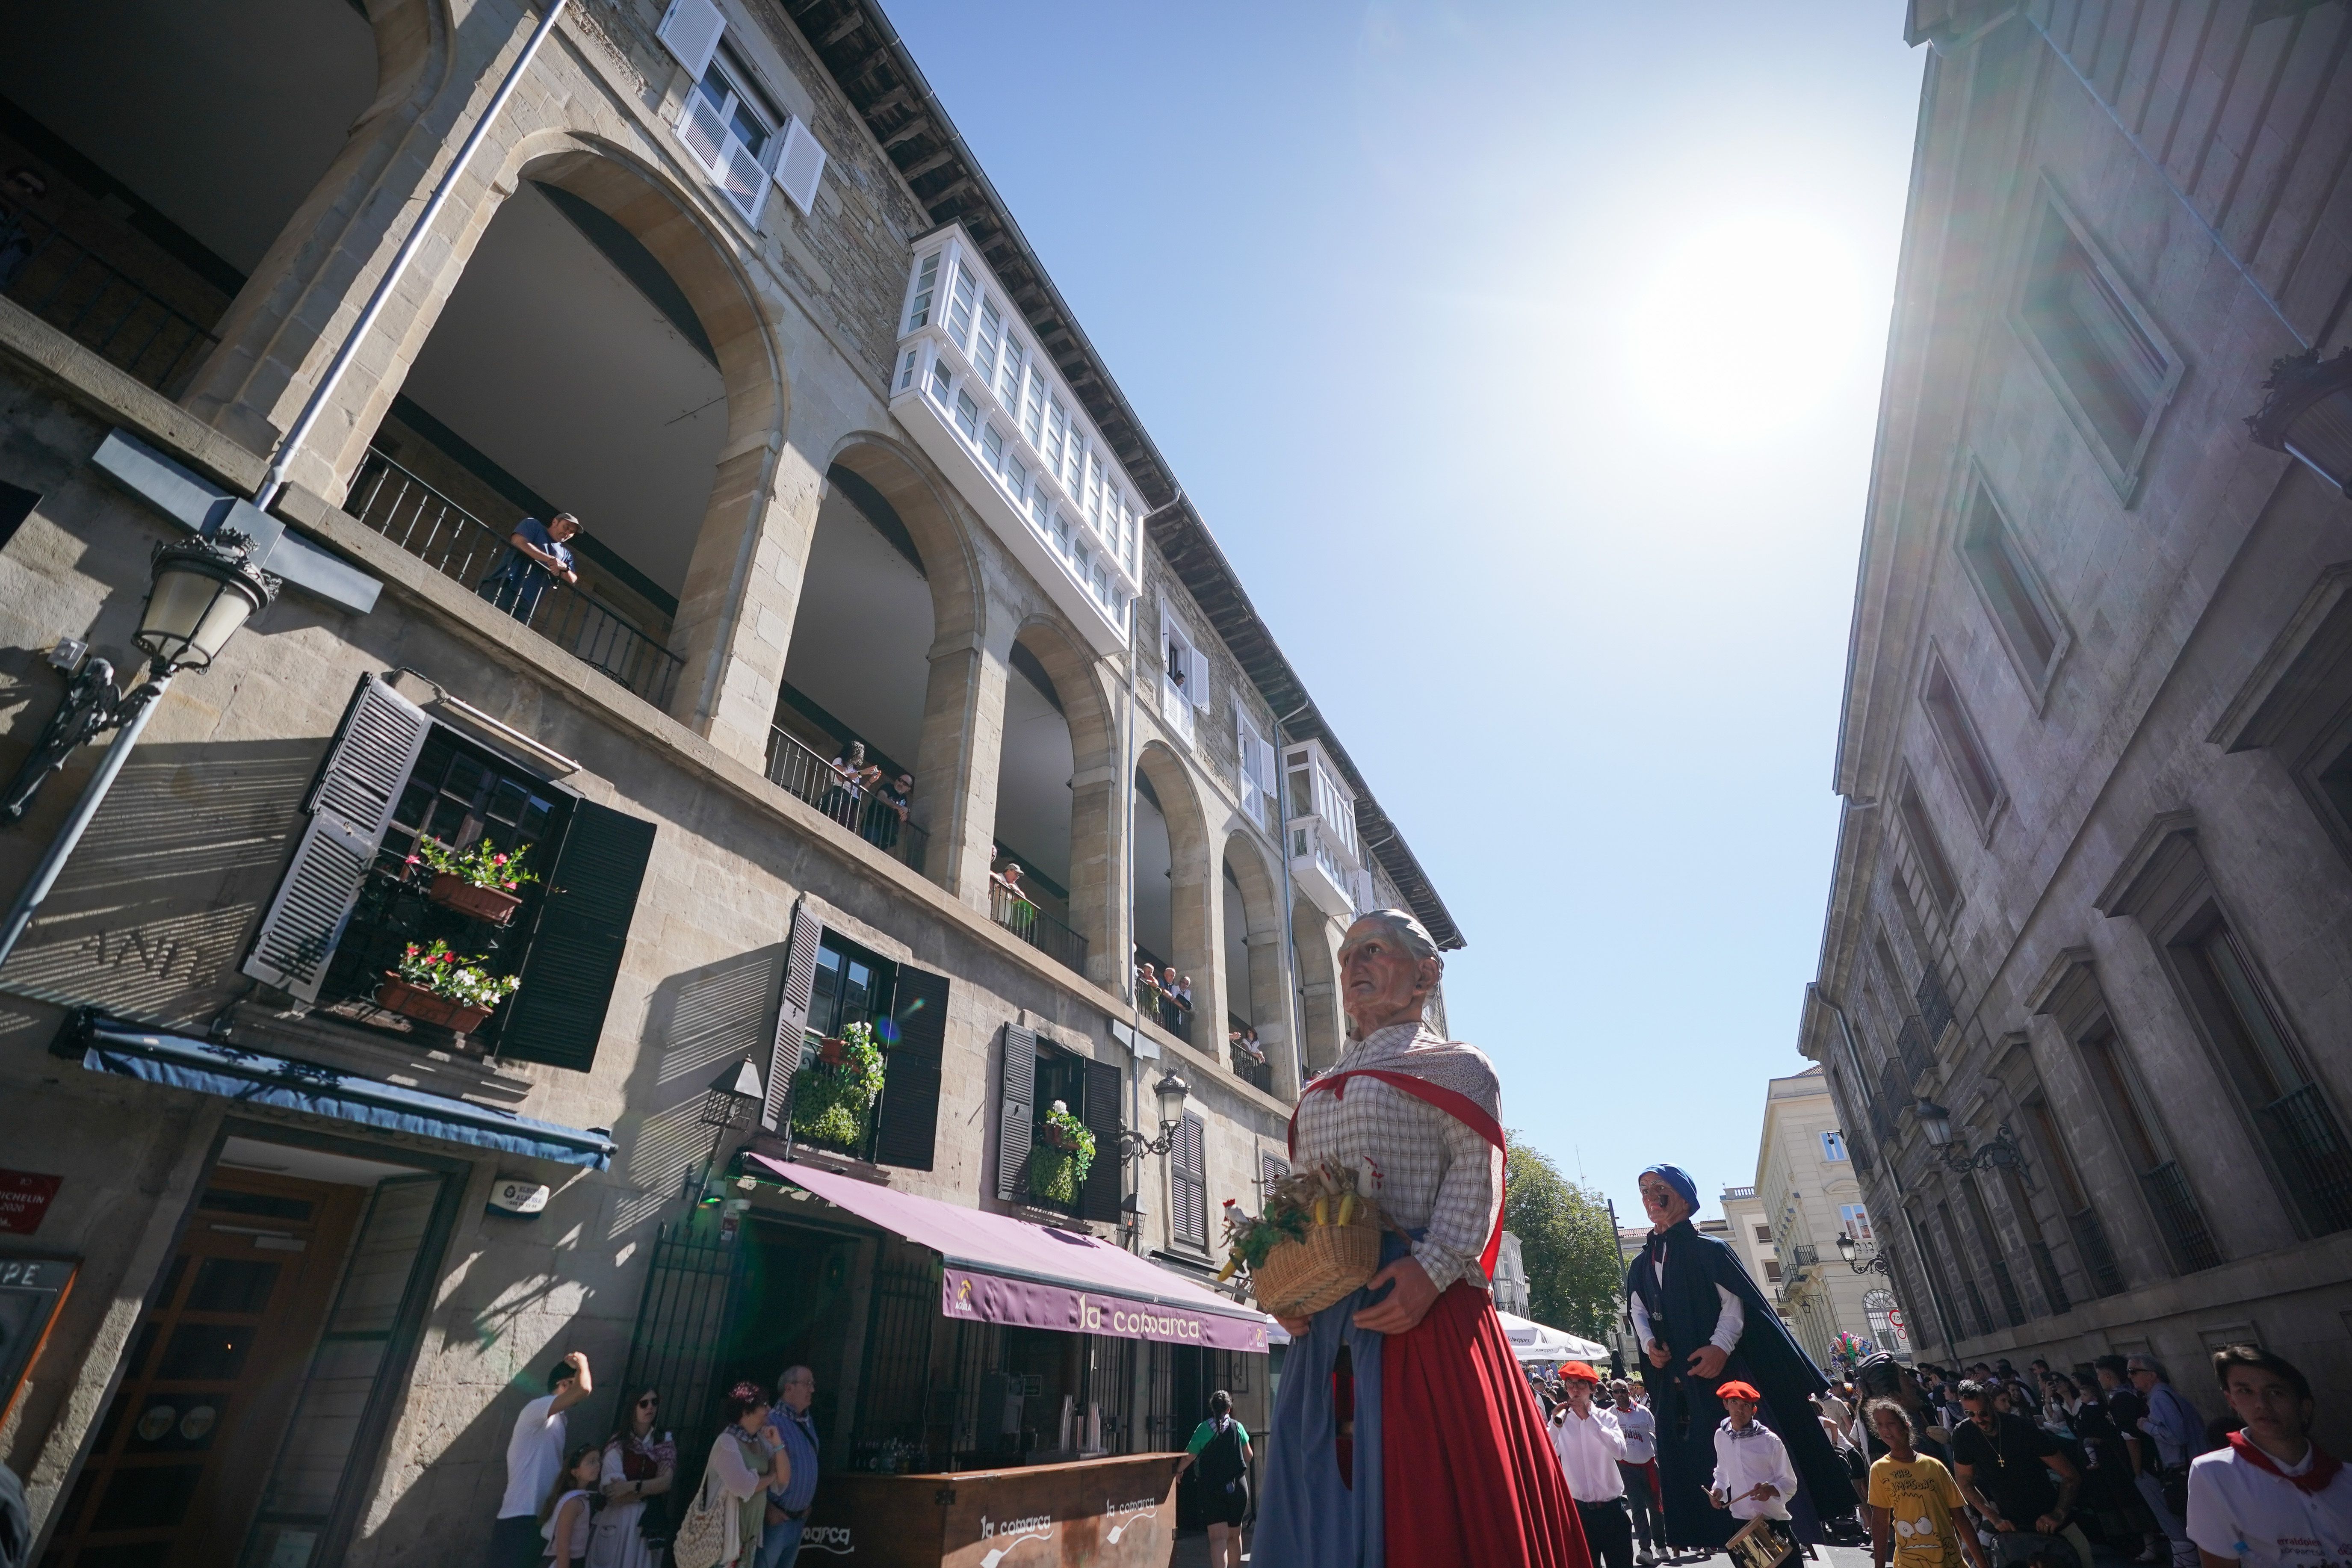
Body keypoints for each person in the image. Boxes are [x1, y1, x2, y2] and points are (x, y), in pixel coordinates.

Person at [1254, 909, 1585, 1568]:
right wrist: (1281, 1280)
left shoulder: (1460, 1066)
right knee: (1317, 1487)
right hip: (1326, 1315)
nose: (1352, 966)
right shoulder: (1318, 1086)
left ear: (1425, 975)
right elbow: (1301, 1195)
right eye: (1347, 956)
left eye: (1372, 950)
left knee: (1430, 1493)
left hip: (1423, 1304)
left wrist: (1432, 1268)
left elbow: (1478, 1173)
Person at [1626, 1164, 1853, 1549]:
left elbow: (1735, 1305)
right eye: (1644, 1188)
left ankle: (1783, 1544)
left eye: (1659, 1187)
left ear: (1683, 1197)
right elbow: (1637, 1310)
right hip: (1677, 1387)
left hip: (1724, 1380)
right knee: (1701, 1473)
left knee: (1752, 1469)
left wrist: (1720, 1347)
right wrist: (1649, 1344)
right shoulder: (1641, 1263)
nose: (1650, 1194)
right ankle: (1718, 1539)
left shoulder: (1710, 1249)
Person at [2186, 1345, 2350, 1568]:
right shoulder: (2214, 1473)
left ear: (2304, 1407)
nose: (2261, 1405)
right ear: (2232, 1401)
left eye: (2275, 1392)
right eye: (2245, 1391)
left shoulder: (2345, 1478)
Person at [1949, 1379, 2091, 1568]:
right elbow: (1965, 1481)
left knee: (2083, 1560)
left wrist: (2059, 1513)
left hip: (2050, 1520)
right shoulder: (1963, 1433)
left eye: (1983, 1412)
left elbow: (2071, 1476)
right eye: (1970, 1414)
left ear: (1991, 1404)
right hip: (2009, 1526)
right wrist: (1994, 1517)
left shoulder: (2021, 1428)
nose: (1979, 1419)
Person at [494, 1352, 594, 1567]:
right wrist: (582, 1364)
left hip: (539, 1519)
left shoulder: (560, 1421)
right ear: (565, 1384)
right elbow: (584, 1390)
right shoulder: (539, 1408)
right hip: (520, 1518)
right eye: (573, 1381)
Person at [1867, 1398, 1993, 1568]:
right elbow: (1880, 1522)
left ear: (1906, 1425)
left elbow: (1960, 1518)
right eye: (1880, 1424)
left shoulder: (1934, 1467)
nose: (1885, 1430)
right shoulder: (1880, 1469)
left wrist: (1982, 1564)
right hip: (1910, 1562)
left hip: (1949, 1561)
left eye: (1890, 1423)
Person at [691, 1382, 791, 1568]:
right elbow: (743, 1487)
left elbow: (784, 1478)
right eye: (763, 1406)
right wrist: (770, 1477)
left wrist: (777, 1444)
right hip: (723, 1537)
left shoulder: (762, 1441)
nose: (769, 1409)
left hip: (748, 1538)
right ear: (745, 1412)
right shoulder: (727, 1442)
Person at [1553, 1363, 1635, 1568]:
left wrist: (1589, 1420)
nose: (1575, 1390)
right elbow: (1548, 1455)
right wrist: (1555, 1426)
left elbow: (1620, 1451)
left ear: (1592, 1389)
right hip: (1579, 1513)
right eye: (1570, 1384)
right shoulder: (1561, 1420)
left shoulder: (1606, 1418)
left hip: (1612, 1511)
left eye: (1581, 1384)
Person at [2133, 1356, 2208, 1568]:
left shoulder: (2160, 1398)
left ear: (2152, 1375)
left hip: (2184, 1472)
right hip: (2191, 1469)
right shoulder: (2166, 1396)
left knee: (2196, 1527)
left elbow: (2177, 1436)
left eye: (2134, 1372)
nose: (2130, 1376)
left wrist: (2146, 1427)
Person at [590, 1386, 674, 1568]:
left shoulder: (663, 1441)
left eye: (654, 1402)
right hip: (617, 1522)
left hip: (645, 1526)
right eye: (643, 1404)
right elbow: (615, 1496)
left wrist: (631, 1487)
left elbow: (666, 1482)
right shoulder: (618, 1444)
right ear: (633, 1408)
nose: (650, 1407)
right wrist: (651, 1490)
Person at [1174, 1389, 1253, 1568]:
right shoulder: (1237, 1427)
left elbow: (1189, 1457)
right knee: (1235, 1536)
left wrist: (1179, 1471)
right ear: (1229, 1408)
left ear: (1213, 1408)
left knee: (1218, 1539)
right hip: (1238, 1487)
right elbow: (1248, 1456)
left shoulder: (1203, 1429)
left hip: (1212, 1489)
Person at [1711, 1382, 1799, 1529]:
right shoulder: (1721, 1436)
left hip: (1773, 1520)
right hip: (1740, 1520)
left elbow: (1790, 1484)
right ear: (1725, 1404)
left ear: (1754, 1410)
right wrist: (1718, 1490)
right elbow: (1722, 1472)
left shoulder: (1770, 1441)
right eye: (1734, 1402)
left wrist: (1770, 1490)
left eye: (1746, 1405)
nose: (1739, 1409)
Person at [758, 1367, 821, 1568]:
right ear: (788, 1388)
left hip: (798, 1520)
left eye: (813, 1384)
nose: (812, 1390)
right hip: (776, 1520)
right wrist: (768, 1509)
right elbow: (759, 1469)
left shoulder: (808, 1421)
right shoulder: (771, 1421)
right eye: (807, 1384)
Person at [481, 511, 582, 622]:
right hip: (505, 584)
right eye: (566, 527)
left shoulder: (566, 555)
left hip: (527, 602)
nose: (567, 533)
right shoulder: (533, 525)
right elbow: (519, 542)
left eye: (572, 532)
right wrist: (550, 560)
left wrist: (564, 568)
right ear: (555, 522)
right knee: (482, 619)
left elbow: (573, 580)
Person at [1614, 1378, 1665, 1566]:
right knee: (1637, 1509)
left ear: (1630, 1392)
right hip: (1628, 1467)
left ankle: (1661, 1545)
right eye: (1616, 1392)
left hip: (1649, 1465)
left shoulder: (1643, 1413)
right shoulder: (1611, 1415)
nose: (1619, 1395)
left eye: (1622, 1391)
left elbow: (1657, 1433)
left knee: (1656, 1508)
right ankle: (1645, 1550)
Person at [543, 1443, 603, 1568]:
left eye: (598, 1461)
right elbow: (563, 1546)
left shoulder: (582, 1498)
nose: (597, 1465)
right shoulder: (572, 1502)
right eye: (591, 1462)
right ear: (576, 1472)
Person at [865, 771, 911, 850]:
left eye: (905, 783)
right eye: (900, 780)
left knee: (880, 849)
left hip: (887, 831)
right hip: (874, 823)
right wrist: (899, 808)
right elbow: (882, 797)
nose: (901, 783)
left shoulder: (904, 798)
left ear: (908, 789)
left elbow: (904, 813)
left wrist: (906, 811)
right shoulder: (888, 787)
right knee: (869, 846)